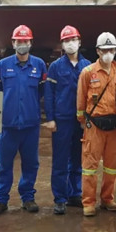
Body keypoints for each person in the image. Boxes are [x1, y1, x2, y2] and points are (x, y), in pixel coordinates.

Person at [0, 24, 48, 215]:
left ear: (31, 43)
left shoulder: (39, 65)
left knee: (31, 164)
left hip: (30, 126)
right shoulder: (2, 66)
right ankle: (1, 200)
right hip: (8, 126)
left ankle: (28, 198)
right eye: (19, 41)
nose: (22, 44)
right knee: (4, 164)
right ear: (13, 43)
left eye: (25, 41)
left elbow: (42, 91)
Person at [76, 31, 116, 217]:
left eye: (111, 50)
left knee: (111, 165)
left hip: (114, 126)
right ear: (98, 51)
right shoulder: (88, 73)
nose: (108, 53)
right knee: (90, 165)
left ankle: (107, 198)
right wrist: (83, 121)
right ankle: (88, 202)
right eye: (105, 50)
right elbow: (81, 99)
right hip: (94, 126)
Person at [44, 25, 91, 215]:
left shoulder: (87, 66)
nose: (70, 43)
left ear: (79, 42)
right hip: (62, 120)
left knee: (78, 159)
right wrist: (50, 119)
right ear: (62, 44)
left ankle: (75, 194)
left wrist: (88, 119)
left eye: (73, 40)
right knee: (60, 160)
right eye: (66, 41)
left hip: (80, 121)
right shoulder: (55, 67)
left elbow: (92, 94)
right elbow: (49, 94)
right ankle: (60, 199)